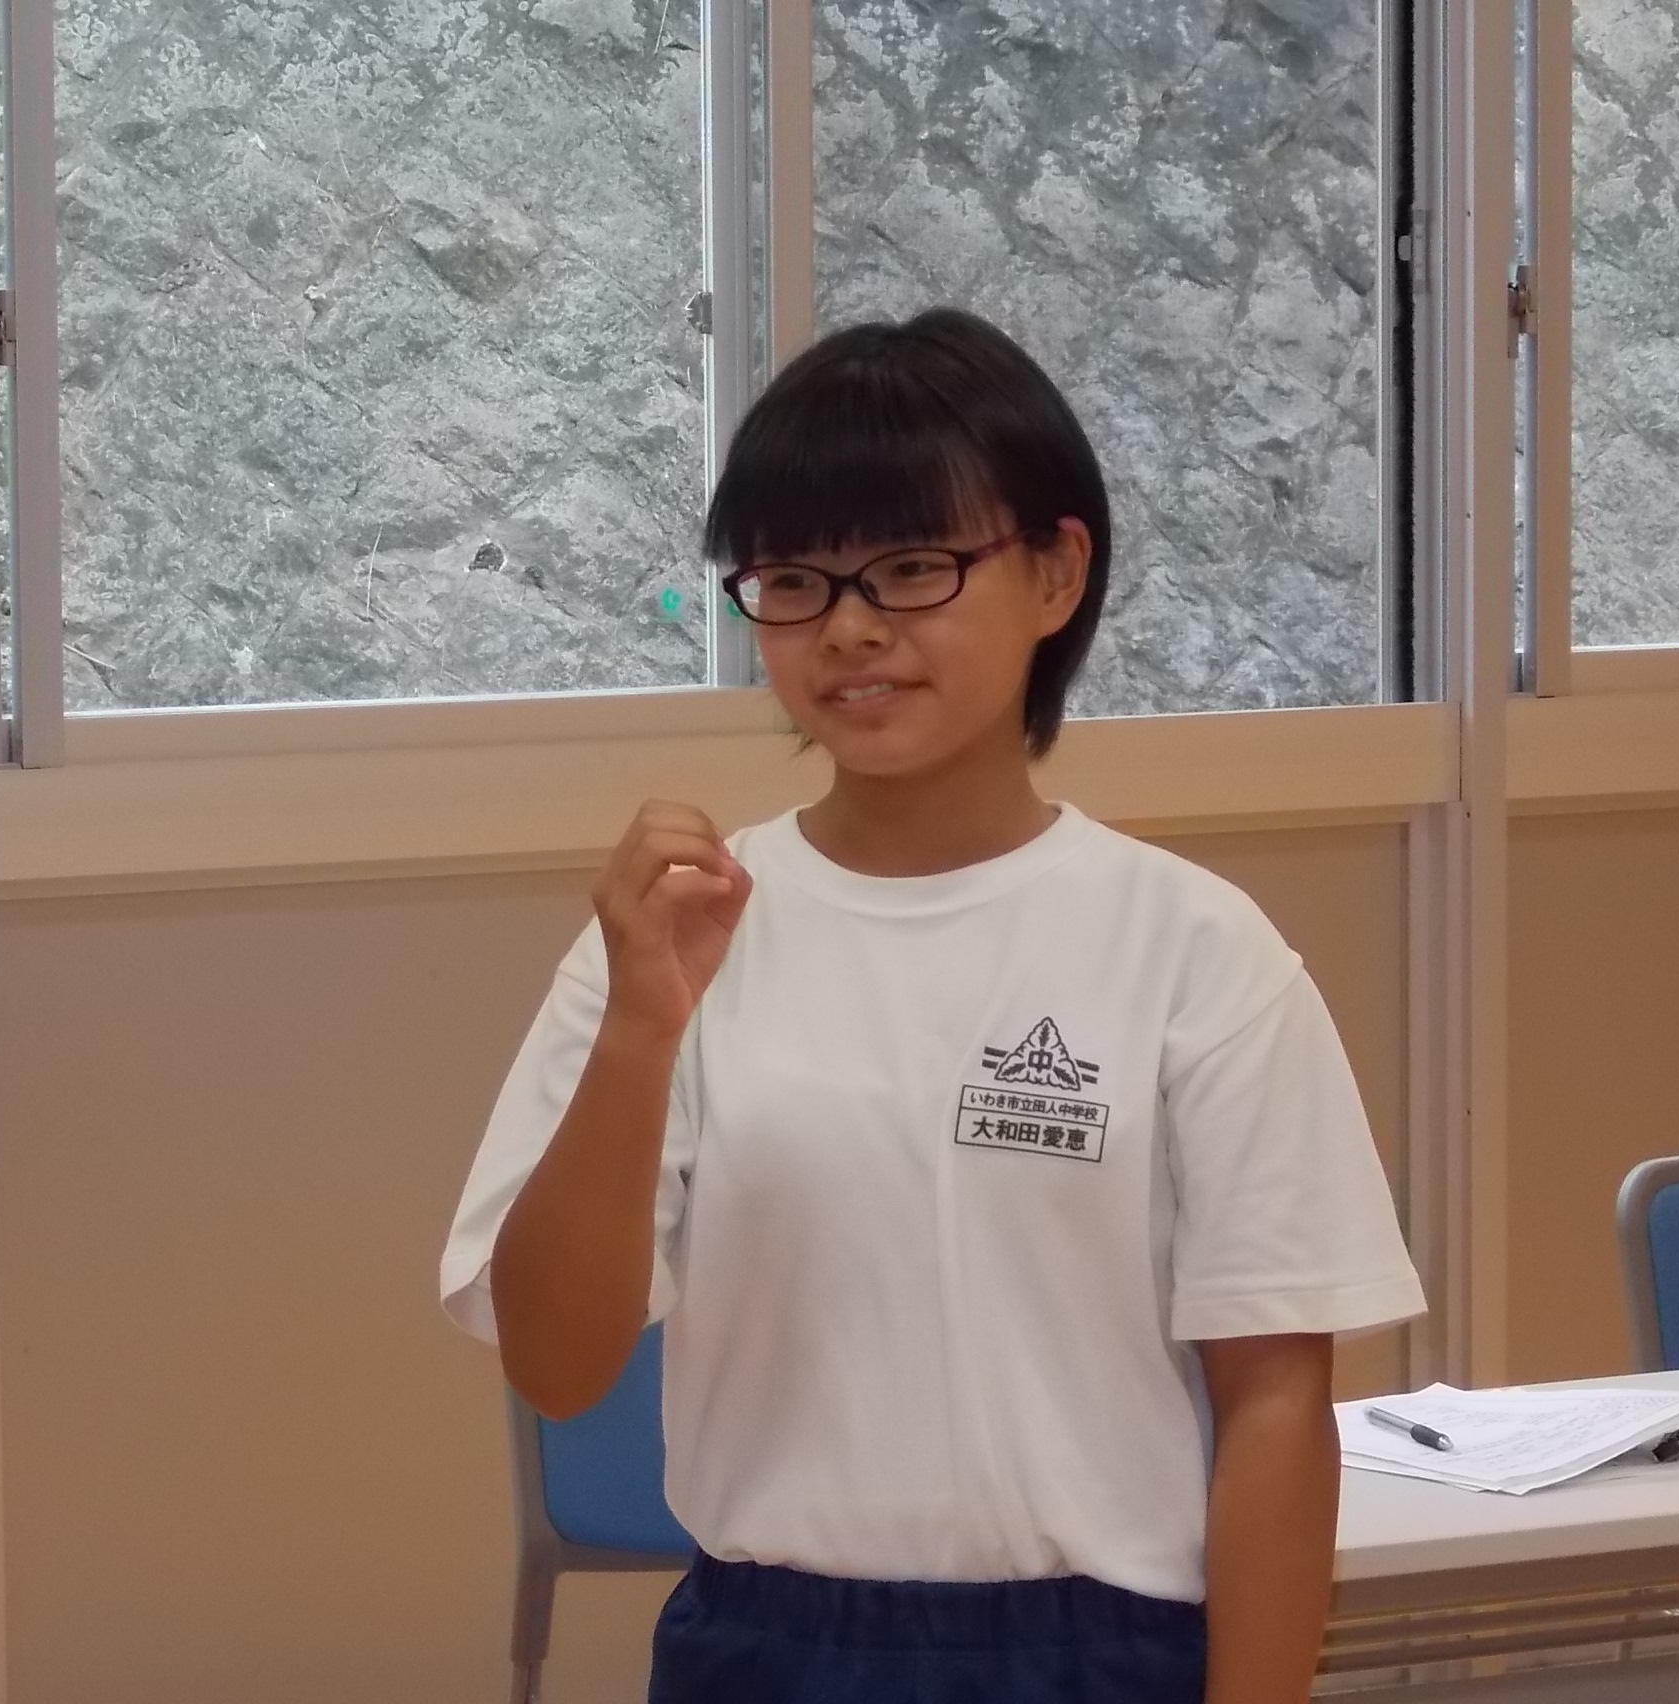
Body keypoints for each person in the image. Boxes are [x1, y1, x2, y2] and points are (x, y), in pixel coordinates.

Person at [440, 306, 1426, 1704]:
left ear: (1055, 573)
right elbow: (554, 1363)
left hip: (1097, 1651)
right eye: (794, 581)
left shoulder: (1194, 950)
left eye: (912, 569)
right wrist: (640, 1031)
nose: (850, 629)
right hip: (768, 1647)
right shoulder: (673, 939)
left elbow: (1275, 1403)